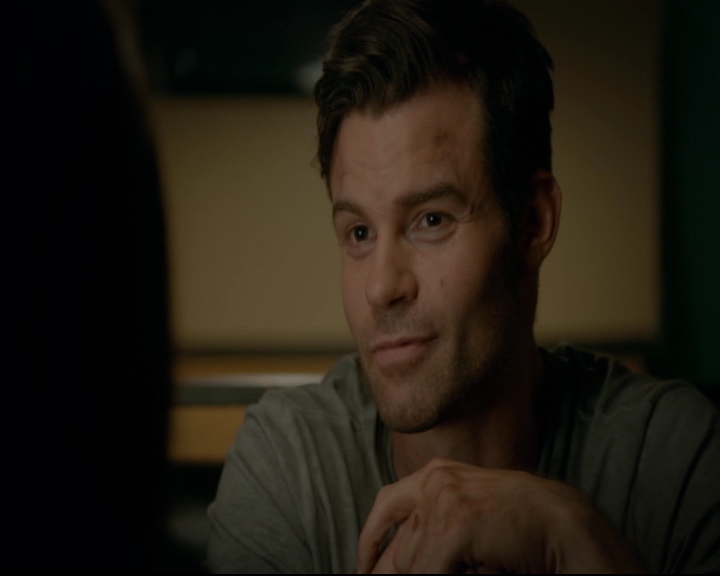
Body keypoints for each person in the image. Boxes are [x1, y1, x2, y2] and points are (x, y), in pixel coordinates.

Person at [207, 0, 720, 573]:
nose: (381, 287)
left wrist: (570, 534)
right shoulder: (290, 466)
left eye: (431, 220)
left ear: (533, 223)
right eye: (359, 232)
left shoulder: (671, 457)